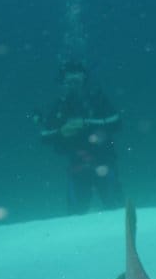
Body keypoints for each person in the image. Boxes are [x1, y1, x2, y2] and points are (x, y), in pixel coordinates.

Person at [34, 60, 122, 214]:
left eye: (77, 80)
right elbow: (44, 136)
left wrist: (86, 123)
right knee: (75, 215)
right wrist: (62, 131)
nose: (74, 85)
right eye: (69, 81)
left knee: (117, 210)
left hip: (104, 163)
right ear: (63, 82)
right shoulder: (60, 106)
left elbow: (116, 122)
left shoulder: (97, 99)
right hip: (77, 168)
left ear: (84, 79)